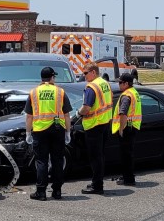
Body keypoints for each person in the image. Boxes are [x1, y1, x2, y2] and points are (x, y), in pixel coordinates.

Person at [24, 66, 72, 201]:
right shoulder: (60, 92)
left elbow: (29, 116)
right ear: (52, 78)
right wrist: (68, 132)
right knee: (57, 160)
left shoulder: (33, 92)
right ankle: (57, 191)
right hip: (57, 129)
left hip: (40, 131)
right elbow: (67, 115)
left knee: (41, 161)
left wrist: (28, 132)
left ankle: (41, 192)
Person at [78, 61, 113, 195]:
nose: (84, 76)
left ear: (93, 72)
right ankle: (97, 181)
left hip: (94, 125)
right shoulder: (105, 84)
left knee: (95, 157)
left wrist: (78, 113)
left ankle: (97, 186)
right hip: (105, 123)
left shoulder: (91, 87)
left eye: (86, 73)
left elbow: (86, 108)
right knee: (100, 156)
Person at [111, 72, 142, 186]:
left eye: (120, 82)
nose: (119, 84)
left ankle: (128, 179)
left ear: (126, 83)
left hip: (127, 128)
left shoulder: (126, 95)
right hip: (133, 127)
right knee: (129, 154)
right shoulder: (134, 93)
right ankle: (128, 176)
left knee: (126, 156)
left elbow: (123, 113)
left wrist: (121, 129)